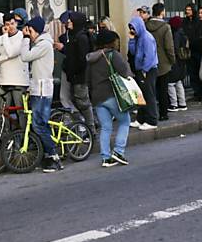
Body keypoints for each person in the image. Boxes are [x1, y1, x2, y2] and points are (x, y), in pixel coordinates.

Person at [86, 30, 133, 168]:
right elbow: (124, 72)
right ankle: (118, 151)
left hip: (97, 97)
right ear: (111, 42)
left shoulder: (90, 58)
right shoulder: (113, 55)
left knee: (106, 127)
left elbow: (87, 79)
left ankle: (106, 158)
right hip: (111, 95)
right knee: (125, 121)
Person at [21, 16, 61, 172]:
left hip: (43, 91)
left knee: (39, 125)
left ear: (35, 30)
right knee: (40, 124)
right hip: (38, 89)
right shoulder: (40, 44)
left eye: (30, 30)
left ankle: (53, 156)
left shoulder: (44, 44)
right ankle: (48, 154)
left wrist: (24, 38)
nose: (28, 33)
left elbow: (25, 56)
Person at [61, 11, 95, 133]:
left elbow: (82, 59)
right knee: (77, 101)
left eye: (71, 20)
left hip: (79, 77)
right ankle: (84, 127)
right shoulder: (74, 35)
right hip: (74, 76)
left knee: (83, 103)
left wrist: (75, 72)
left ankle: (90, 129)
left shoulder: (81, 38)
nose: (68, 22)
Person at [0, 11, 30, 117]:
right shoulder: (1, 38)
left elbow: (12, 52)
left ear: (16, 23)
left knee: (21, 112)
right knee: (3, 112)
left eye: (12, 23)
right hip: (3, 80)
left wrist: (7, 54)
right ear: (4, 25)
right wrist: (7, 57)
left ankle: (23, 133)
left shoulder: (22, 36)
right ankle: (5, 132)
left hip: (19, 81)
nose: (10, 27)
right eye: (7, 24)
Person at [146, 3, 176, 122]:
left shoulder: (146, 25)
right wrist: (172, 60)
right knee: (163, 89)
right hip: (163, 62)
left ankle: (151, 113)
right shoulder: (165, 27)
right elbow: (169, 47)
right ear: (162, 12)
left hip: (149, 61)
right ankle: (163, 113)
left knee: (151, 89)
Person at [127, 17, 158, 130]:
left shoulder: (146, 38)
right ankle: (141, 119)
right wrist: (131, 40)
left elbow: (149, 56)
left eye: (133, 28)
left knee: (149, 95)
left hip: (148, 70)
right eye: (131, 28)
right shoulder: (139, 38)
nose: (132, 30)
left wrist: (145, 70)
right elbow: (133, 52)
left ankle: (152, 120)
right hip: (142, 70)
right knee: (141, 95)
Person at [181, 4, 202, 101]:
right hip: (189, 51)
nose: (187, 11)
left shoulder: (198, 22)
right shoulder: (185, 22)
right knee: (192, 73)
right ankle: (197, 93)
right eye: (186, 9)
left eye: (189, 10)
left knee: (201, 74)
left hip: (198, 51)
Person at [166, 16, 188, 111]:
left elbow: (174, 48)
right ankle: (182, 103)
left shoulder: (175, 34)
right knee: (179, 82)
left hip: (175, 61)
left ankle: (174, 104)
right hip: (182, 61)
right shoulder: (183, 32)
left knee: (171, 83)